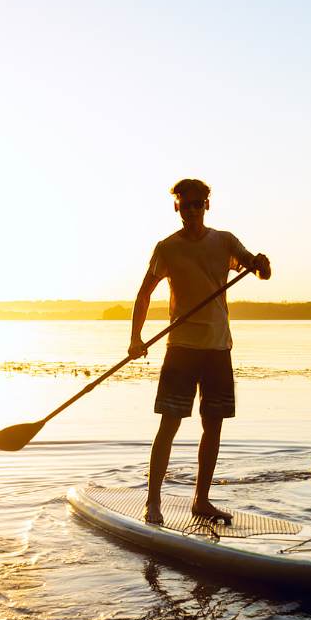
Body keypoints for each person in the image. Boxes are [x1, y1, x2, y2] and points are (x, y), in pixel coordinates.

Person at [129, 178, 271, 525]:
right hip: (181, 349)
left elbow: (261, 271)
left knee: (214, 426)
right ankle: (153, 503)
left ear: (206, 205)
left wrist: (262, 263)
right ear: (176, 206)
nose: (191, 209)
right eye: (185, 204)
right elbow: (144, 293)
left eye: (197, 203)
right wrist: (136, 338)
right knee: (169, 425)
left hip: (218, 348)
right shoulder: (167, 248)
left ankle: (201, 500)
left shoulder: (224, 242)